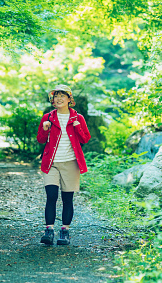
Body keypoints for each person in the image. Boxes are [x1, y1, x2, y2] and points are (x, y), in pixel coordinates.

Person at [36, 85, 91, 245]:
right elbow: (40, 139)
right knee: (51, 196)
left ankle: (65, 231)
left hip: (71, 163)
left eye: (62, 95)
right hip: (51, 163)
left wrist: (77, 127)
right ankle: (49, 231)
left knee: (68, 199)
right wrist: (45, 129)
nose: (59, 99)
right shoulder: (48, 117)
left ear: (69, 99)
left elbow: (85, 139)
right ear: (52, 100)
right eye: (56, 96)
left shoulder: (77, 118)